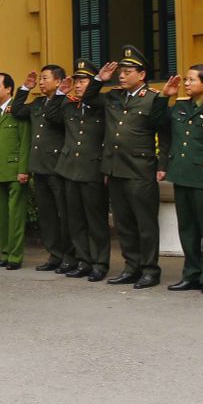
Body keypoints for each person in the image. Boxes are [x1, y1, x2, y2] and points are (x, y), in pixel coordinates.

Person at [81, 46, 169, 289]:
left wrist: (162, 165)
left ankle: (150, 270)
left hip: (140, 168)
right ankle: (132, 267)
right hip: (115, 167)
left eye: (128, 71)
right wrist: (99, 79)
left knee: (145, 223)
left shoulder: (153, 98)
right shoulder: (114, 96)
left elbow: (165, 132)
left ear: (141, 75)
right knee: (124, 222)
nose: (122, 75)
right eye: (121, 71)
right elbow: (88, 98)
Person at [159, 65, 203, 295]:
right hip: (182, 175)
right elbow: (157, 122)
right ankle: (190, 274)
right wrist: (164, 97)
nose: (186, 83)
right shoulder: (181, 106)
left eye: (191, 80)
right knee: (187, 229)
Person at [46, 59, 111, 281]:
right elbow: (51, 116)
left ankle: (100, 263)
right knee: (75, 220)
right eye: (77, 80)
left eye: (83, 80)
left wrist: (97, 83)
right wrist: (60, 95)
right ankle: (83, 261)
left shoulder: (101, 102)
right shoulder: (69, 105)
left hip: (92, 169)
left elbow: (93, 97)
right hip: (69, 169)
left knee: (96, 221)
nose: (79, 84)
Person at [11, 64, 70, 273]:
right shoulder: (37, 103)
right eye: (41, 78)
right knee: (47, 216)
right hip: (39, 167)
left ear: (58, 81)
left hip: (57, 167)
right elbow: (17, 110)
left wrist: (61, 95)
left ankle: (68, 256)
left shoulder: (65, 102)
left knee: (63, 214)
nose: (41, 82)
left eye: (45, 78)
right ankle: (54, 254)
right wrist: (25, 88)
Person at [0, 73, 30, 270]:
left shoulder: (17, 112)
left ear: (9, 89)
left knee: (15, 216)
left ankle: (15, 256)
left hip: (15, 171)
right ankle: (4, 253)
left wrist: (23, 169)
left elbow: (25, 142)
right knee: (2, 216)